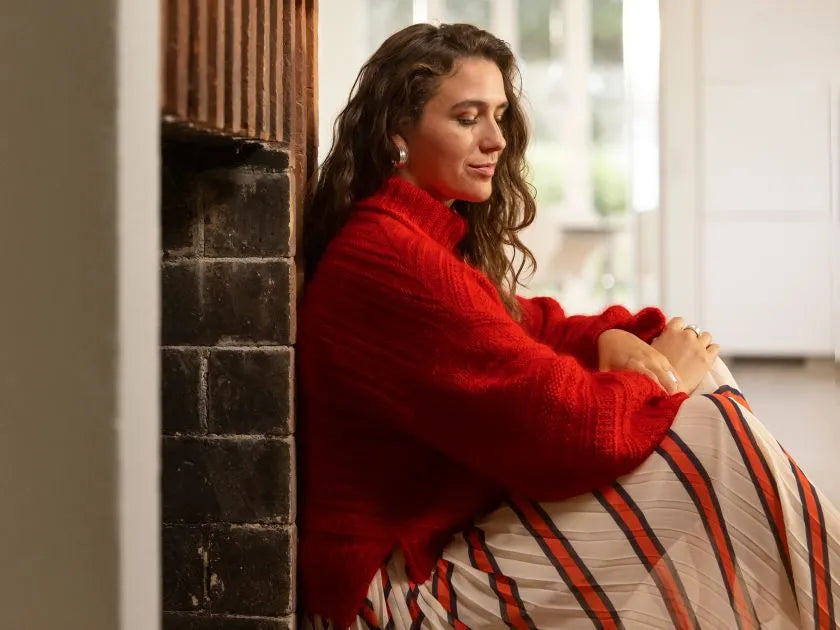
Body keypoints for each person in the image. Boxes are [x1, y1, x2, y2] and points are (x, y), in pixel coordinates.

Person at [298, 22, 839, 629]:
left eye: (499, 115)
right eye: (467, 118)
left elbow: (527, 326)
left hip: (434, 548)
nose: (496, 139)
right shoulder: (389, 256)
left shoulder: (416, 236)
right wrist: (659, 380)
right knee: (711, 436)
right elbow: (568, 427)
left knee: (705, 400)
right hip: (391, 593)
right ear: (398, 132)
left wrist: (611, 337)